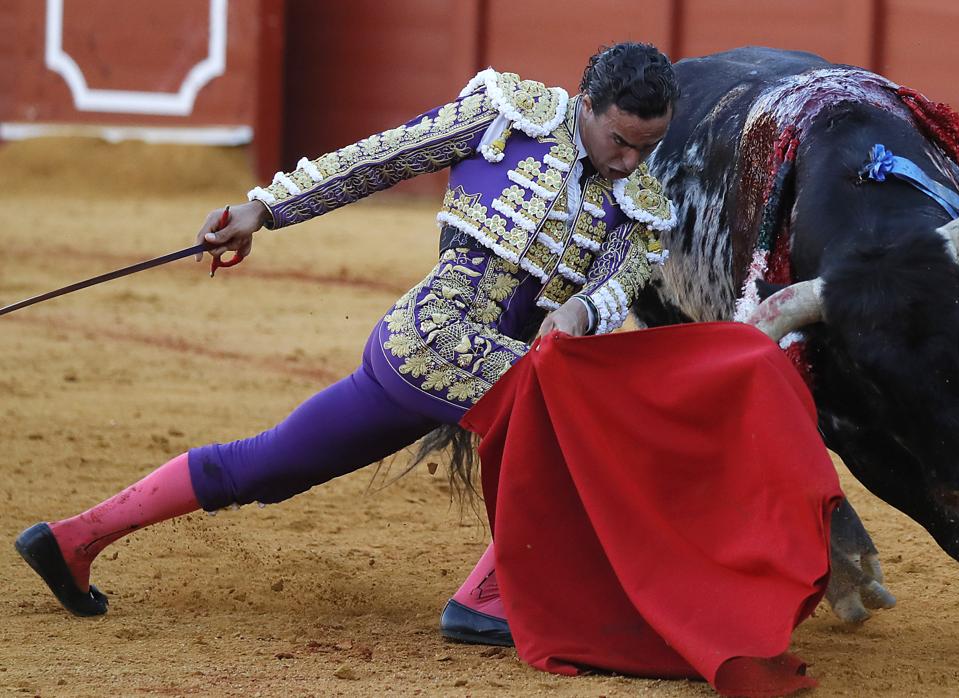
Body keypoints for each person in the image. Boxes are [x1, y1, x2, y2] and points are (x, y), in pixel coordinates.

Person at [15, 42, 679, 647]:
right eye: (619, 140)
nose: (626, 161)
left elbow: (618, 279)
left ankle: (72, 540)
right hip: (429, 339)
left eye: (643, 149)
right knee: (585, 417)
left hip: (473, 368)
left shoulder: (639, 201)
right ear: (586, 104)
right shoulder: (509, 116)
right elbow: (380, 158)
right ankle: (487, 597)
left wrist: (583, 310)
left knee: (268, 466)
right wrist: (264, 209)